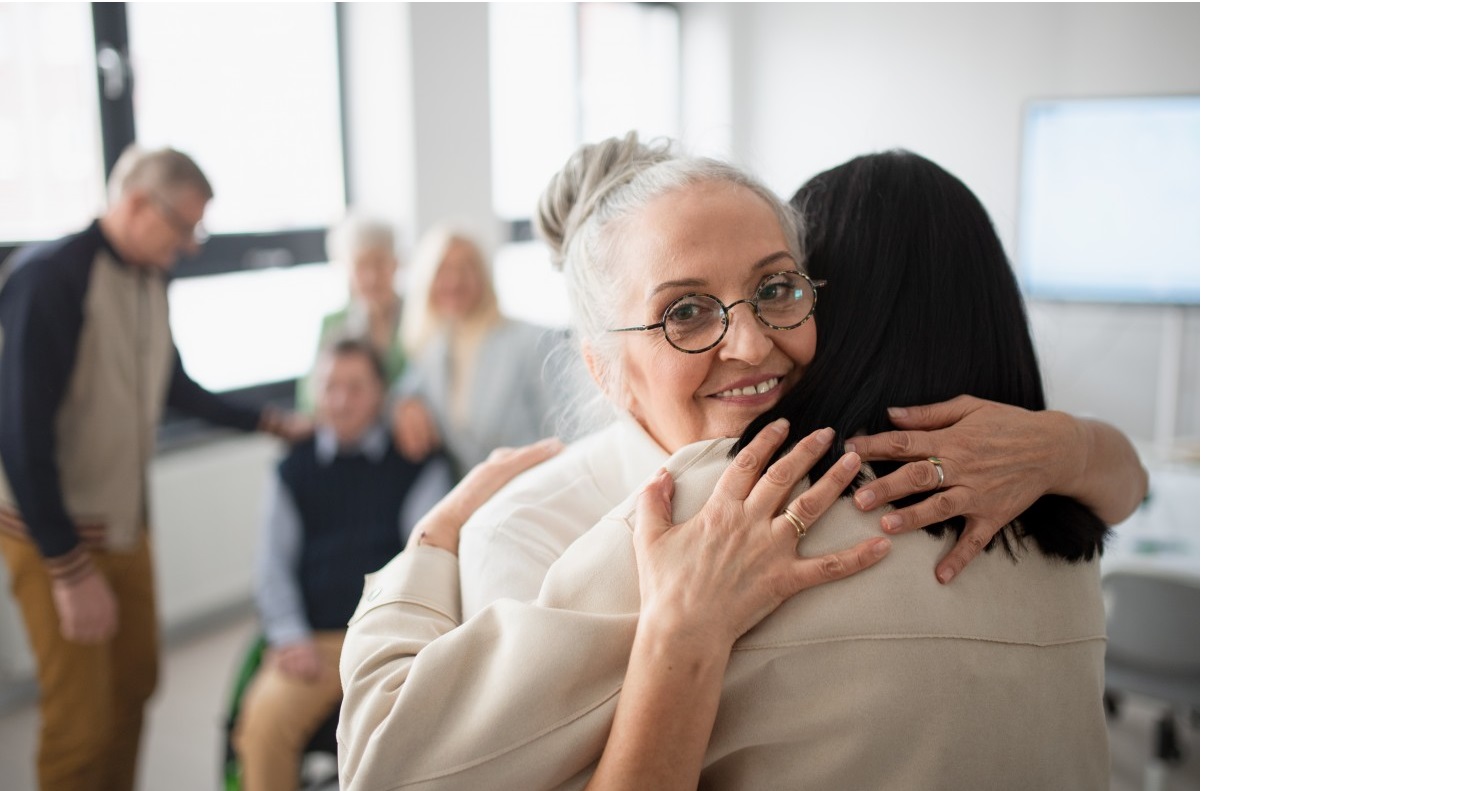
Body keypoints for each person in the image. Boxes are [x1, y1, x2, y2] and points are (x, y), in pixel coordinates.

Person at [338, 135, 1145, 789]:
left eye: (778, 289)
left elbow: (385, 765)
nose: (752, 342)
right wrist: (1070, 444)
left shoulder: (733, 505)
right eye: (683, 312)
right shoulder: (1058, 521)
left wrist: (428, 547)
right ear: (601, 366)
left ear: (835, 304)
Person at [0, 144, 311, 791]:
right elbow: (19, 435)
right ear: (137, 202)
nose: (192, 243)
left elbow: (172, 384)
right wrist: (67, 567)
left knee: (135, 687)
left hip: (124, 524)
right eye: (184, 224)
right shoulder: (50, 279)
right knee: (81, 722)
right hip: (55, 535)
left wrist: (268, 420)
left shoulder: (147, 277)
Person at [231, 339, 452, 791]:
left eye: (355, 387)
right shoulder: (292, 470)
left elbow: (424, 561)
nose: (340, 400)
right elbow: (272, 566)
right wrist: (288, 635)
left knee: (412, 740)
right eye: (330, 386)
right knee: (262, 727)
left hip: (387, 638)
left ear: (381, 394)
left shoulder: (418, 464)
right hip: (315, 642)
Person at [389, 223, 564, 477]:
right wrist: (404, 404)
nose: (454, 280)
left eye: (466, 268)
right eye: (443, 269)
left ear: (483, 276)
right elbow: (406, 388)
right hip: (476, 498)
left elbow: (563, 426)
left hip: (536, 487)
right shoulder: (433, 350)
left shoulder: (528, 339)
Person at [296, 216, 408, 413]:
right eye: (362, 265)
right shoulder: (333, 324)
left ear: (396, 263)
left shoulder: (419, 318)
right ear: (347, 269)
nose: (372, 277)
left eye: (380, 262)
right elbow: (309, 402)